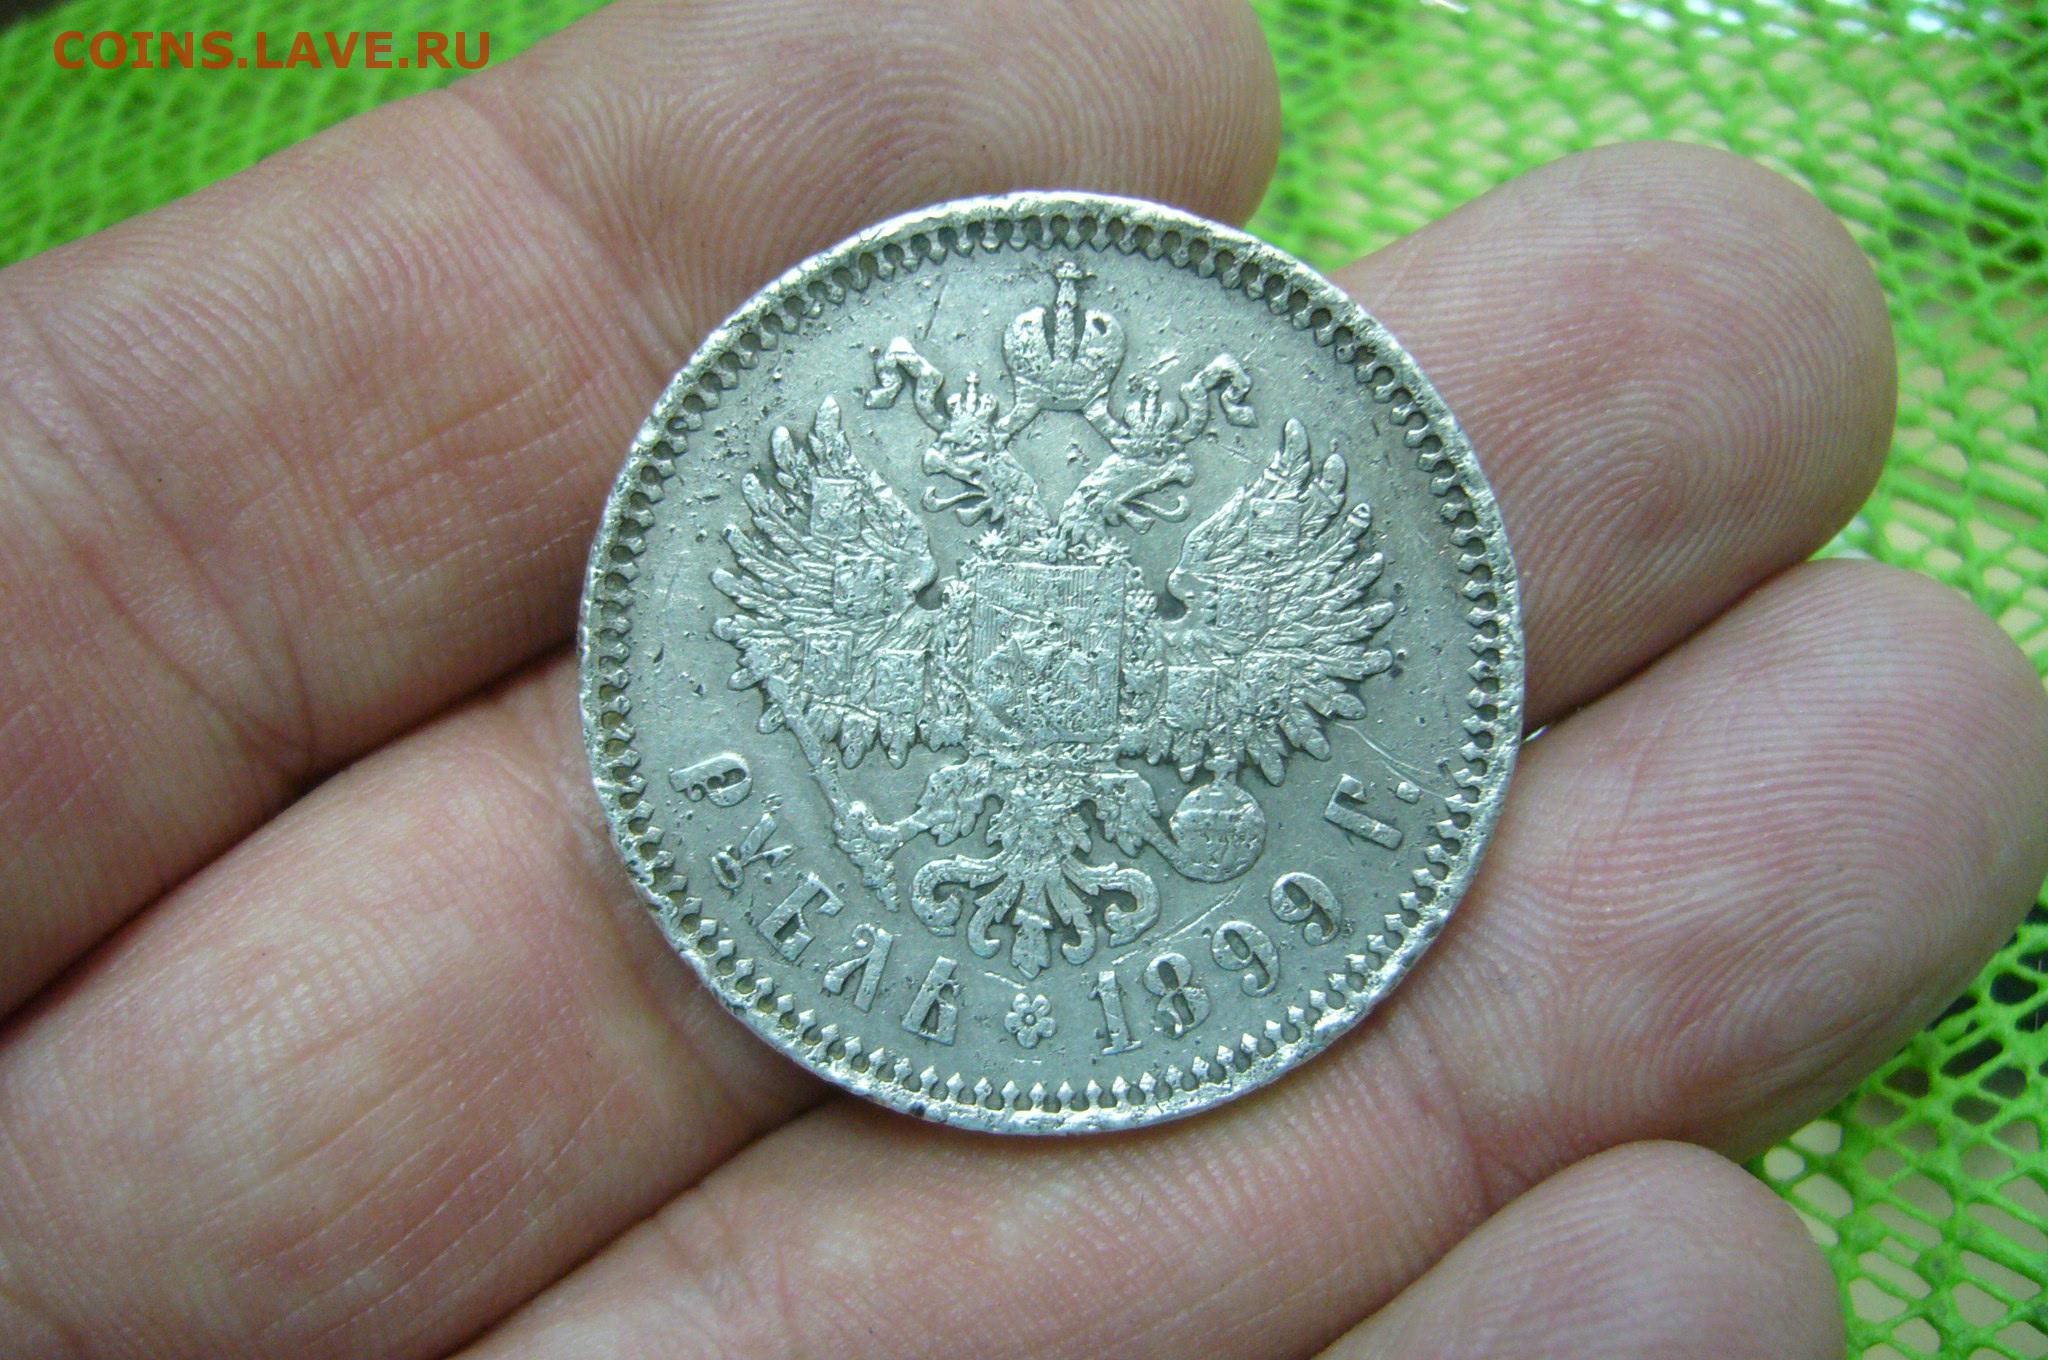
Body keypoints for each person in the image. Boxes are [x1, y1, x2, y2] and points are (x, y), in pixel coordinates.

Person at [0, 2, 2041, 1357]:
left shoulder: (1141, 551)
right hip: (977, 838)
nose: (1051, 503)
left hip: (1060, 849)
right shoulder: (943, 544)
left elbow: (1298, 621)